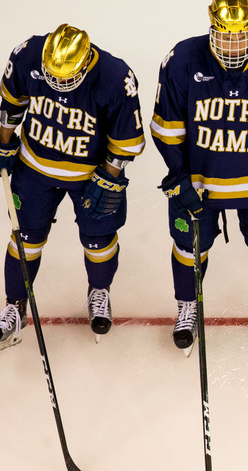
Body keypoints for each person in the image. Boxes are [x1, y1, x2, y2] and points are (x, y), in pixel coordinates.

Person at [150, 0, 248, 353]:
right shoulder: (183, 59)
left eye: (240, 35)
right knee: (189, 248)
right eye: (225, 35)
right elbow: (167, 128)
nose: (233, 44)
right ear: (212, 31)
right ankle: (187, 306)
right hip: (201, 184)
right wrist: (178, 178)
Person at [0, 24, 145, 350]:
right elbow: (11, 106)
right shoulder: (28, 55)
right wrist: (4, 145)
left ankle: (99, 292)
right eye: (51, 75)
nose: (56, 83)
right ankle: (14, 306)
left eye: (65, 77)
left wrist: (109, 177)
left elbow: (124, 142)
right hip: (34, 169)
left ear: (85, 63)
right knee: (26, 238)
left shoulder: (115, 77)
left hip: (88, 175)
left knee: (99, 241)